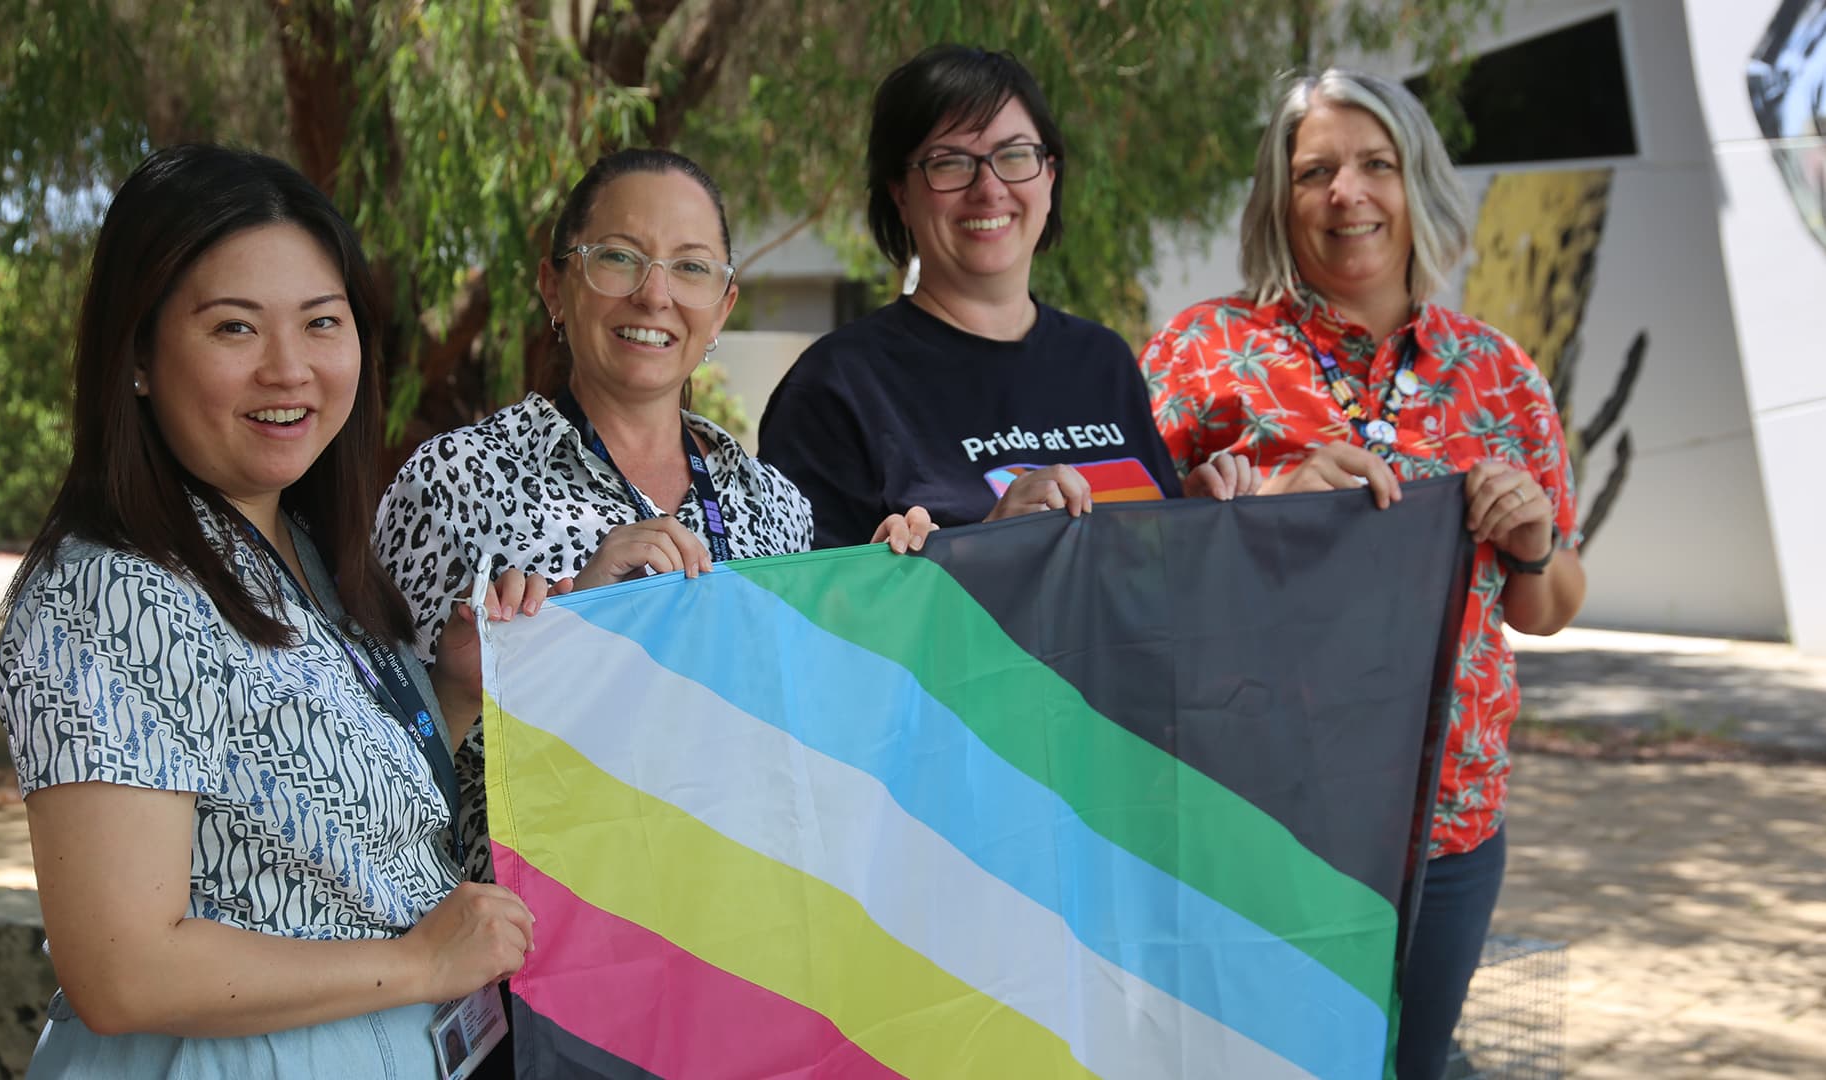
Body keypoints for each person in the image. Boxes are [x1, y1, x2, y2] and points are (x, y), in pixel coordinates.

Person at [0, 144, 545, 1078]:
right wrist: (417, 961)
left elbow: (315, 835)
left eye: (321, 323)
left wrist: (451, 696)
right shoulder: (110, 589)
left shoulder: (303, 555)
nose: (290, 371)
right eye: (235, 329)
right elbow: (122, 969)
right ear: (137, 355)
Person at [1138, 69, 1587, 1080]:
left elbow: (1550, 607)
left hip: (1449, 828)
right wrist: (1254, 501)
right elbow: (1125, 564)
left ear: (1415, 184)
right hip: (1254, 820)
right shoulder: (1203, 356)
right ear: (1278, 200)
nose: (1348, 192)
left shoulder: (1499, 376)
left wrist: (1533, 545)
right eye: (1315, 172)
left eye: (1374, 165)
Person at [373, 147, 933, 882]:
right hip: (539, 958)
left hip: (745, 942)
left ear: (723, 307)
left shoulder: (775, 507)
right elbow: (371, 776)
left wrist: (891, 606)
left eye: (691, 268)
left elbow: (817, 751)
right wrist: (566, 631)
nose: (654, 294)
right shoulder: (455, 482)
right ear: (554, 286)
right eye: (618, 258)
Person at [756, 45, 1256, 549]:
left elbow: (1148, 576)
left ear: (1050, 174)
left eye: (1015, 155)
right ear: (900, 194)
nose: (989, 188)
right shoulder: (835, 389)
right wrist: (987, 547)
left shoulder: (1102, 360)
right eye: (950, 163)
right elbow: (807, 611)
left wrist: (1191, 513)